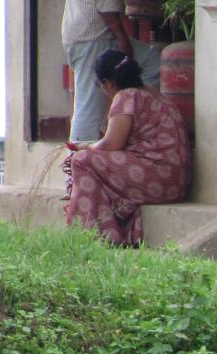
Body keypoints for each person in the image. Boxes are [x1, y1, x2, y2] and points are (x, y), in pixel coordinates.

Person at [64, 49, 191, 246]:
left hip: (157, 178)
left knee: (81, 162)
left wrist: (85, 147)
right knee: (92, 163)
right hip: (176, 182)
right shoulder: (154, 94)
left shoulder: (126, 97)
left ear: (107, 83)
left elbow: (112, 144)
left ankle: (92, 235)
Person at [62, 1, 161, 144]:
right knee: (88, 106)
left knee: (152, 61)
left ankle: (126, 124)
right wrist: (121, 37)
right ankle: (76, 157)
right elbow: (105, 4)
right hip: (93, 37)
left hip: (91, 35)